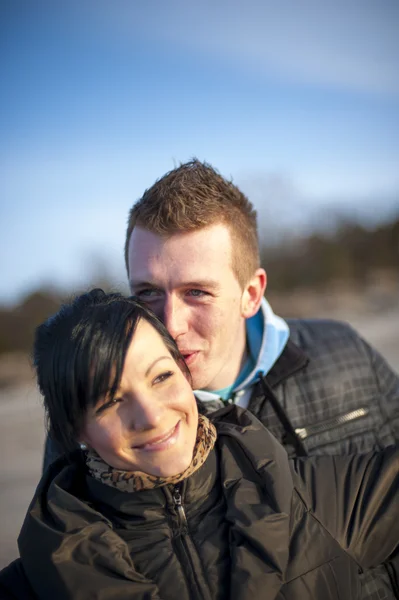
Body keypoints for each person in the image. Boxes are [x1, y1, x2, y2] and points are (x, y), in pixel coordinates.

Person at [43, 160, 399, 598]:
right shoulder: (96, 422)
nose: (170, 324)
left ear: (251, 293)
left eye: (197, 292)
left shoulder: (343, 354)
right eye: (148, 293)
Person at [1, 290, 398, 600]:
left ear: (186, 376)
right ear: (77, 431)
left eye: (160, 378)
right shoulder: (41, 577)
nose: (152, 416)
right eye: (111, 401)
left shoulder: (309, 498)